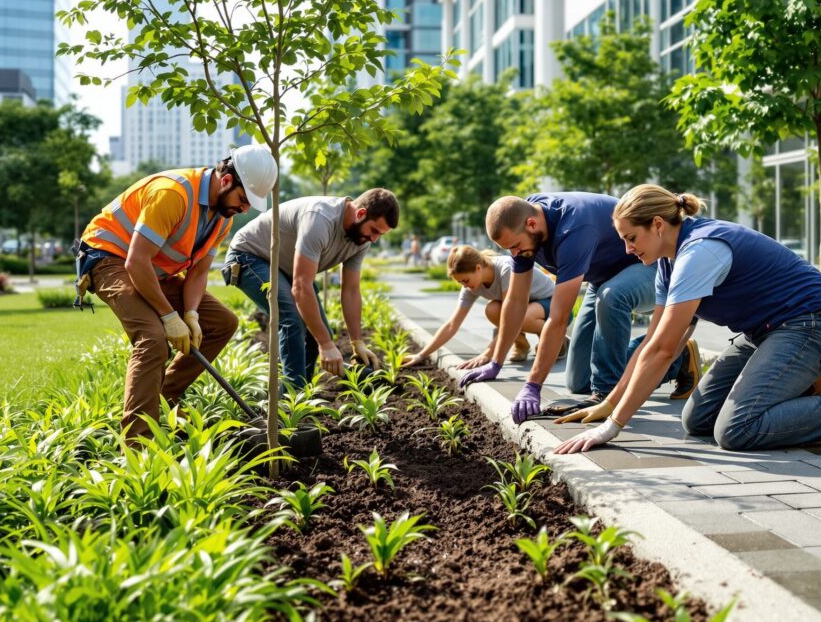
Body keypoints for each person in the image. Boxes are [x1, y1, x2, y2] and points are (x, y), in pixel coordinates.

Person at [553, 184, 821, 455]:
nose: (627, 250)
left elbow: (663, 352)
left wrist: (612, 428)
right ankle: (806, 384)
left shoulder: (699, 252)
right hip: (768, 331)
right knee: (697, 420)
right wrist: (610, 402)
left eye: (631, 238)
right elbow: (654, 342)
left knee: (738, 431)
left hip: (817, 322)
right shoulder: (666, 262)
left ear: (658, 224)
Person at [75, 145, 277, 440]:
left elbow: (198, 272)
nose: (245, 209)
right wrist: (170, 317)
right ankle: (138, 446)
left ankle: (163, 397)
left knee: (222, 323)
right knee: (153, 338)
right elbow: (136, 261)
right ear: (225, 181)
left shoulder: (223, 217)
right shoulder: (173, 194)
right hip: (108, 257)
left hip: (153, 269)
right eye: (243, 199)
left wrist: (192, 314)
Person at [460, 193, 700, 424]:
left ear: (531, 224)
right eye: (508, 249)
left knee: (612, 297)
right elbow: (515, 302)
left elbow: (559, 317)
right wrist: (495, 362)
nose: (514, 254)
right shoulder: (522, 221)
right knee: (579, 381)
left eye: (514, 246)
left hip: (653, 265)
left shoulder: (573, 229)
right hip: (603, 279)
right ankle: (679, 356)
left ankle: (607, 396)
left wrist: (532, 385)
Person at [224, 188, 398, 389]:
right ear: (360, 214)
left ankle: (301, 397)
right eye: (375, 230)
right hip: (249, 255)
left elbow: (351, 290)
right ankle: (290, 402)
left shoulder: (361, 240)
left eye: (380, 234)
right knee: (293, 319)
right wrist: (326, 345)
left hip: (284, 265)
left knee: (320, 331)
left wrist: (356, 342)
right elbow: (301, 286)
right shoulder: (320, 218)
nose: (374, 239)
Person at [404, 245, 564, 368]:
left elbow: (513, 315)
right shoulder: (471, 284)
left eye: (465, 281)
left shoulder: (506, 270)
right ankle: (521, 344)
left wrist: (488, 354)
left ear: (478, 268)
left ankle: (557, 338)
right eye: (460, 282)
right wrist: (421, 355)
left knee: (520, 316)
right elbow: (452, 325)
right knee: (492, 309)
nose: (464, 286)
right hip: (528, 307)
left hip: (554, 304)